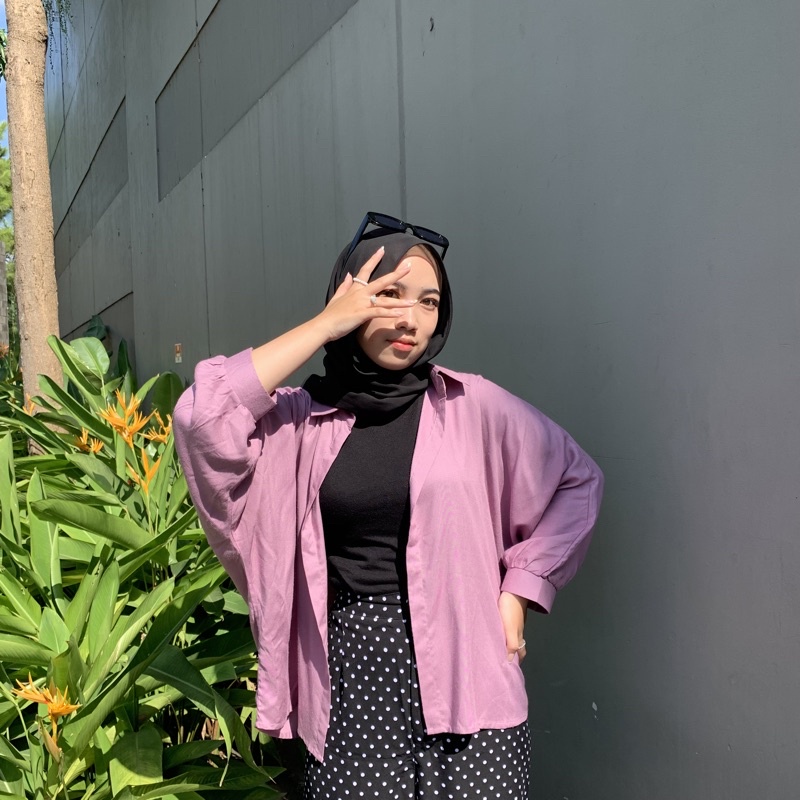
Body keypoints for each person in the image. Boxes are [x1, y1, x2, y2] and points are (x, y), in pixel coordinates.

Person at [173, 212, 604, 800]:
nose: (410, 319)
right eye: (389, 294)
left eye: (429, 302)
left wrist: (521, 592)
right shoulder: (295, 422)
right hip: (351, 677)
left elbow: (577, 479)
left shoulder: (473, 405)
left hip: (470, 675)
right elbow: (202, 417)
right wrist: (325, 325)